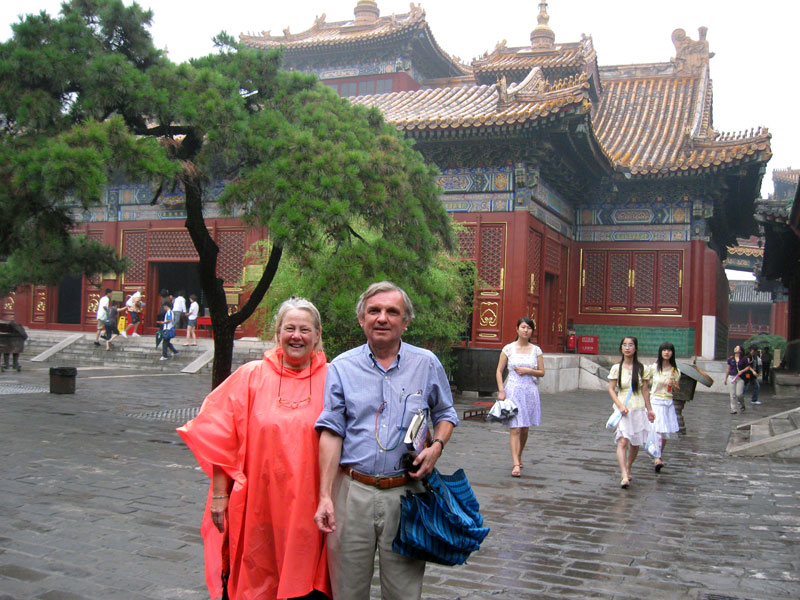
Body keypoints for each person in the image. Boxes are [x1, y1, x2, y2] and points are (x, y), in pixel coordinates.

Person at [178, 297, 331, 600]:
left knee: (305, 578)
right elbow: (222, 438)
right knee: (255, 574)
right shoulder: (251, 376)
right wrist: (220, 496)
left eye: (304, 329)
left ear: (317, 335)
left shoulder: (334, 379)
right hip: (257, 504)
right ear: (277, 332)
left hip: (309, 504)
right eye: (289, 328)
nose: (296, 336)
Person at [314, 281, 458, 600]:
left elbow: (446, 412)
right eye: (374, 311)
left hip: (407, 494)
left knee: (404, 593)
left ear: (406, 321)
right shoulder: (341, 367)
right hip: (353, 492)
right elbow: (332, 430)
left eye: (392, 312)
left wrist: (437, 447)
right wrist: (325, 496)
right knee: (347, 591)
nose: (382, 318)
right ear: (361, 319)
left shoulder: (426, 363)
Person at [494, 316, 545, 477]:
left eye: (529, 328)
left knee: (524, 427)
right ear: (517, 329)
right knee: (515, 427)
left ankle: (520, 454)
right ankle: (515, 463)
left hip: (530, 391)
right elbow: (499, 371)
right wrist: (501, 390)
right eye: (523, 327)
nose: (525, 330)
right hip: (513, 390)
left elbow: (542, 372)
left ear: (532, 331)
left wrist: (528, 370)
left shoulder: (536, 350)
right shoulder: (508, 349)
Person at [607, 336, 654, 489]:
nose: (627, 348)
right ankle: (624, 475)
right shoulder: (616, 368)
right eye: (625, 345)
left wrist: (650, 409)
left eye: (631, 345)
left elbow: (645, 391)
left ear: (635, 348)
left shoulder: (642, 368)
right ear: (621, 348)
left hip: (638, 408)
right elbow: (611, 389)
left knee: (635, 443)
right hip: (624, 409)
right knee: (623, 441)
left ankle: (628, 466)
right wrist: (619, 405)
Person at [649, 342, 681, 472]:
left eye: (669, 350)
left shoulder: (675, 371)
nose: (666, 352)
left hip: (667, 402)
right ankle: (657, 457)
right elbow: (646, 383)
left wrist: (674, 384)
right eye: (664, 350)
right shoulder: (654, 367)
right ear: (660, 352)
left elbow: (677, 390)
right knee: (657, 429)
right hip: (655, 401)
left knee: (664, 431)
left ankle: (658, 456)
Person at [724, 345, 749, 414]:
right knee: (732, 394)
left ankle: (742, 404)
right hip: (731, 377)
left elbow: (748, 367)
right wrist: (726, 378)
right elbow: (728, 369)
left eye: (737, 348)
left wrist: (742, 371)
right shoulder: (731, 359)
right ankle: (733, 409)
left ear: (740, 350)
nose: (735, 348)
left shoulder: (744, 358)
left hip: (740, 378)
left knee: (739, 394)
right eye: (735, 347)